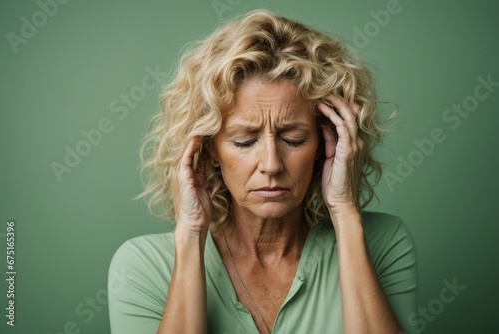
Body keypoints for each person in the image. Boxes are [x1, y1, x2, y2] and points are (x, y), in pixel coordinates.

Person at [108, 9, 417, 334]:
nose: (271, 165)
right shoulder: (140, 266)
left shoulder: (384, 243)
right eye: (244, 141)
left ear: (329, 142)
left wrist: (345, 213)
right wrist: (190, 237)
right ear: (209, 149)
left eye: (293, 139)